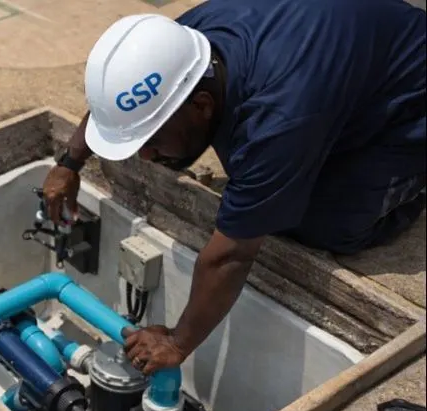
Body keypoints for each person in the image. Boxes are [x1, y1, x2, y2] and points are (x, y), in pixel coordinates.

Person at [41, 0, 426, 375]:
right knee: (258, 169)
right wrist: (69, 163)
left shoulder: (276, 120)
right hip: (343, 63)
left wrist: (177, 342)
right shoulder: (182, 48)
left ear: (202, 104)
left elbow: (231, 256)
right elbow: (121, 110)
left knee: (317, 222)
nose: (145, 155)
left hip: (411, 94)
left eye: (152, 139)